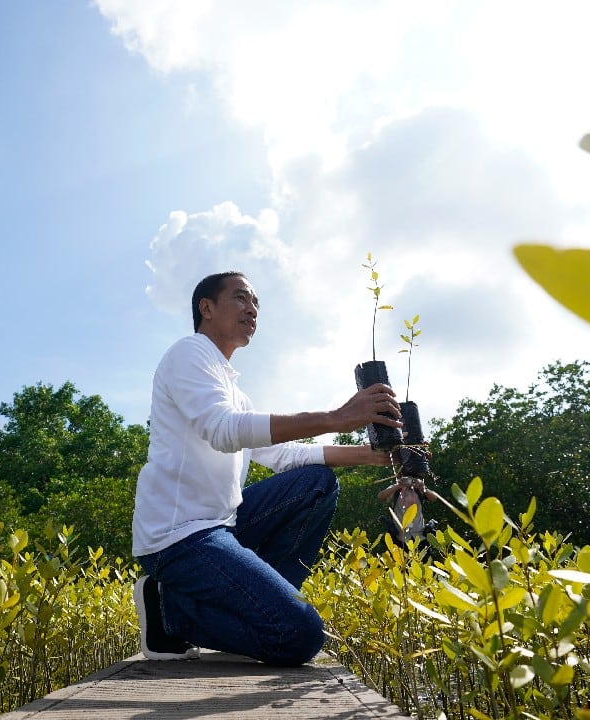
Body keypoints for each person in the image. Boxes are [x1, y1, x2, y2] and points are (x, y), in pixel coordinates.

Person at [131, 271, 403, 665]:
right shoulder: (188, 353)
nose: (252, 309)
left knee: (316, 484)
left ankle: (265, 604)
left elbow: (284, 457)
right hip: (178, 539)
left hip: (222, 525)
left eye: (256, 302)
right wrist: (336, 417)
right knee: (300, 636)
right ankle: (169, 609)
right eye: (241, 298)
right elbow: (224, 430)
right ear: (206, 308)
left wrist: (374, 455)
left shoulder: (234, 389)